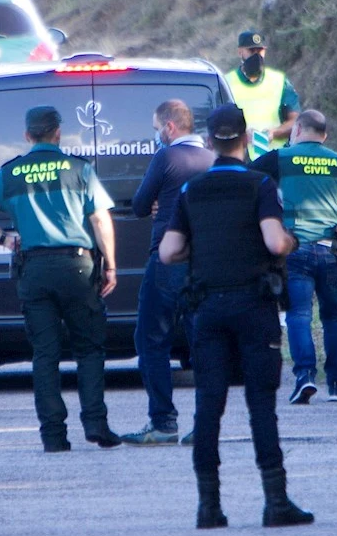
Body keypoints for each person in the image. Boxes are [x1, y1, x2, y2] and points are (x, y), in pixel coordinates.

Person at [159, 104, 314, 529]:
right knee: (261, 404)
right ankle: (276, 502)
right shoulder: (260, 185)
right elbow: (275, 243)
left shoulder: (192, 191)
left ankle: (209, 507)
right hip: (252, 304)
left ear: (210, 142)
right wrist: (290, 240)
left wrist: (203, 247)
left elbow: (169, 252)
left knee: (209, 404)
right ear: (246, 140)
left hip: (207, 309)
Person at [0, 106, 122, 452]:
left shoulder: (12, 172)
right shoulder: (79, 169)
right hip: (77, 268)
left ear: (27, 136)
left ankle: (53, 435)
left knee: (45, 354)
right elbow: (99, 220)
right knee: (89, 349)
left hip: (34, 270)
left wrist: (3, 238)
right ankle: (95, 423)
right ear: (58, 133)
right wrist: (110, 264)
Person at [121, 99, 215, 446]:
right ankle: (205, 424)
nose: (157, 134)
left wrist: (160, 198)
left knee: (151, 339)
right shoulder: (212, 160)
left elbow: (141, 205)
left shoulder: (166, 158)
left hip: (166, 259)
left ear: (170, 128)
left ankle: (163, 422)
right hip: (204, 261)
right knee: (202, 342)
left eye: (157, 128)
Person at [250, 109, 337, 405]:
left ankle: (305, 377)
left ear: (296, 130)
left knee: (298, 315)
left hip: (295, 250)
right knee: (334, 316)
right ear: (324, 135)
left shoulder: (279, 159)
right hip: (333, 250)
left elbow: (247, 180)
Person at [225, 30, 301, 160]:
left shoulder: (279, 81)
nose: (256, 56)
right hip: (241, 160)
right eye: (251, 51)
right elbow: (219, 122)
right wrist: (240, 134)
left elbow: (296, 120)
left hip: (276, 158)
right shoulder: (227, 82)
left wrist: (274, 133)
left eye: (259, 51)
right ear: (240, 52)